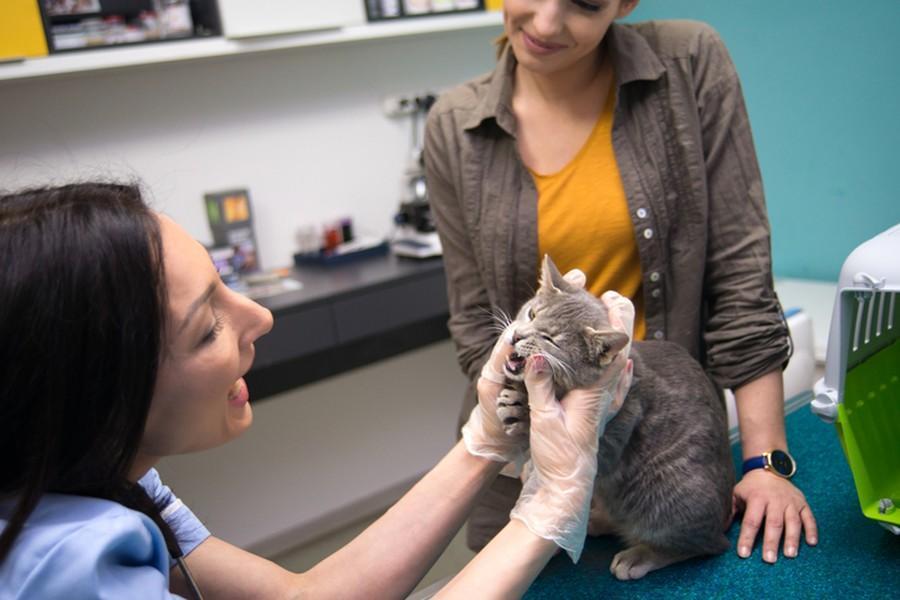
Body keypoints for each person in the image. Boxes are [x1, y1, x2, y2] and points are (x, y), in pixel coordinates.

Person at [0, 182, 632, 598]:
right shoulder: (69, 567)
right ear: (101, 394)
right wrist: (550, 506)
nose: (260, 317)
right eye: (206, 328)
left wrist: (486, 439)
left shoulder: (99, 473)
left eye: (224, 283)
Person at [424, 0, 818, 564]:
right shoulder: (452, 126)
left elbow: (740, 277)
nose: (545, 23)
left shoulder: (687, 63)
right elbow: (473, 323)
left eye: (584, 3)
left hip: (657, 459)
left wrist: (764, 463)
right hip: (528, 476)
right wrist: (555, 464)